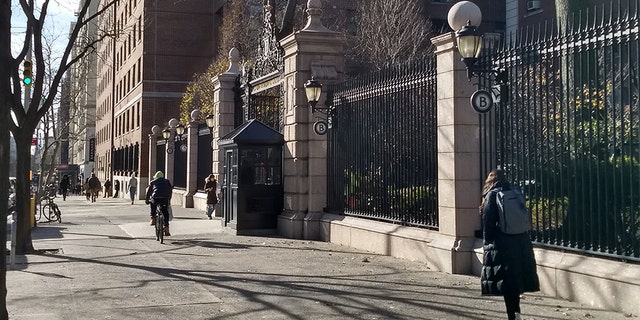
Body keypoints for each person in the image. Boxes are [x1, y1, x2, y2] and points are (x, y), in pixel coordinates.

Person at [480, 169, 540, 320]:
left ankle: (513, 315)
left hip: (502, 243)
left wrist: (487, 243)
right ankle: (516, 313)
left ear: (490, 180)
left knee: (507, 284)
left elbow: (488, 222)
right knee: (515, 280)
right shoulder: (515, 191)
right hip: (521, 241)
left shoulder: (492, 195)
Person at [145, 171, 173, 236]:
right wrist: (169, 200)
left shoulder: (153, 182)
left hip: (156, 197)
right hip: (164, 198)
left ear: (156, 177)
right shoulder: (167, 181)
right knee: (165, 211)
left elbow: (149, 192)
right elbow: (170, 191)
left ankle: (153, 218)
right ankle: (166, 228)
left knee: (152, 203)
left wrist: (147, 200)